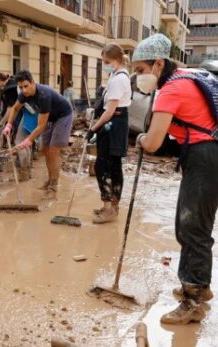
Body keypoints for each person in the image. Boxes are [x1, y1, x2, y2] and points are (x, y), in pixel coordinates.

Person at [132, 34, 218, 325]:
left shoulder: (172, 89)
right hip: (212, 159)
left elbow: (152, 142)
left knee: (192, 231)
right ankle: (199, 285)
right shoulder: (185, 79)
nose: (139, 77)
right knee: (191, 226)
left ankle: (193, 302)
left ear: (159, 63)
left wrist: (140, 137)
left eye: (141, 70)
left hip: (206, 161)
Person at [4, 70, 74, 199]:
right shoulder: (24, 95)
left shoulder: (43, 95)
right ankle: (50, 179)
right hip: (50, 118)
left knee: (53, 151)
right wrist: (9, 124)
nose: (24, 90)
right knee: (45, 149)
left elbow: (41, 126)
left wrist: (28, 140)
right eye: (21, 87)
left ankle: (53, 186)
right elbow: (15, 108)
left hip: (63, 116)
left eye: (26, 86)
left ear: (32, 83)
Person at [88, 45, 132, 224]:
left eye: (107, 62)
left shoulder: (119, 79)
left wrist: (94, 128)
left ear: (117, 60)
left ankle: (110, 208)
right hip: (113, 123)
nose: (105, 65)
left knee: (105, 166)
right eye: (103, 62)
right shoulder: (116, 76)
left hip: (113, 124)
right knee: (109, 165)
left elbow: (110, 111)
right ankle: (110, 206)